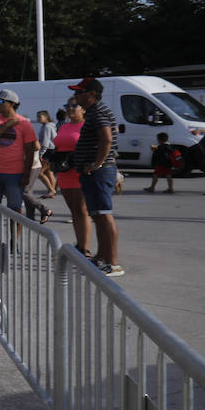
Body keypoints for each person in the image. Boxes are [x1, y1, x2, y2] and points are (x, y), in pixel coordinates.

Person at [69, 78, 123, 277]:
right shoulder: (95, 111)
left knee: (104, 214)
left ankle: (113, 263)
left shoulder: (98, 112)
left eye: (80, 92)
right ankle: (102, 257)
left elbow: (106, 138)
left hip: (99, 172)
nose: (76, 96)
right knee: (98, 216)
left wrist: (97, 163)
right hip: (94, 172)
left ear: (91, 94)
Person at [0, 88, 37, 216]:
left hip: (15, 173)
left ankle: (14, 237)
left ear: (12, 104)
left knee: (15, 209)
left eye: (1, 101)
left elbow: (30, 151)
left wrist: (26, 175)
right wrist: (7, 125)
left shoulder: (24, 123)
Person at [52, 100, 92, 257]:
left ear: (83, 110)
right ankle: (80, 244)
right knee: (74, 211)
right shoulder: (64, 126)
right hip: (64, 172)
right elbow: (58, 145)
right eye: (67, 106)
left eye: (74, 106)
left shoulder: (87, 126)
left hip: (79, 171)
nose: (69, 109)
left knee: (83, 210)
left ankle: (85, 248)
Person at [34, 111, 58, 198]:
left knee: (39, 173)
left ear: (46, 117)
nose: (38, 119)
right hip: (52, 150)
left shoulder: (47, 126)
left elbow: (46, 142)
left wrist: (41, 153)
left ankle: (52, 190)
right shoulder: (48, 126)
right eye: (37, 117)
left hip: (48, 151)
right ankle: (52, 191)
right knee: (49, 172)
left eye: (40, 117)